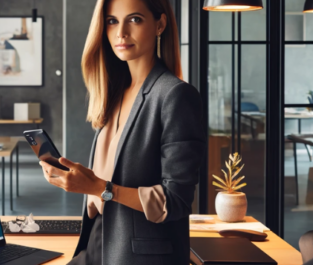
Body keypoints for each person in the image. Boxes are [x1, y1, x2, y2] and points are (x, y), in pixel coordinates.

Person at [38, 0, 206, 264]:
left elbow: (176, 201)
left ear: (160, 24)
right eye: (112, 21)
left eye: (135, 19)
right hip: (99, 243)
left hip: (138, 257)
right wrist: (80, 182)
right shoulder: (116, 93)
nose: (121, 32)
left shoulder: (175, 95)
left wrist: (100, 188)